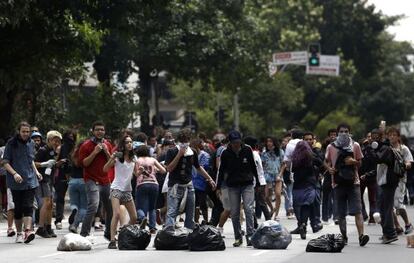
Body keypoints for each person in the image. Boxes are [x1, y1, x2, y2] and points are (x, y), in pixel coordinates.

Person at [325, 123, 369, 246]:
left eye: (346, 131)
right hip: (337, 183)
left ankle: (361, 236)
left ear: (350, 132)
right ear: (338, 132)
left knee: (357, 210)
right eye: (341, 131)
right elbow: (326, 161)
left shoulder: (355, 145)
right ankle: (344, 237)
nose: (343, 133)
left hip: (353, 182)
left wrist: (353, 161)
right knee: (341, 213)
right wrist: (329, 169)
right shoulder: (331, 147)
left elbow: (360, 163)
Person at [164, 128, 215, 230]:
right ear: (179, 141)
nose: (184, 143)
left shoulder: (193, 152)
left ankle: (189, 232)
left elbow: (198, 167)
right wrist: (179, 155)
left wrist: (210, 179)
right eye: (182, 141)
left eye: (186, 140)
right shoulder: (172, 151)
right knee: (172, 211)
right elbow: (169, 168)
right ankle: (169, 232)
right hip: (175, 185)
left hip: (189, 185)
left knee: (190, 211)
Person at [2, 121, 42, 243]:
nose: (25, 134)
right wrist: (14, 174)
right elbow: (5, 162)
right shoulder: (11, 144)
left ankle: (28, 231)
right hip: (16, 182)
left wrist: (36, 172)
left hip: (30, 180)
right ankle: (19, 233)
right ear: (18, 132)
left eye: (27, 132)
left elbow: (31, 160)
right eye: (23, 131)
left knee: (28, 206)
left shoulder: (31, 143)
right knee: (18, 208)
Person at [217, 130, 259, 247]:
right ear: (230, 142)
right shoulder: (225, 153)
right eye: (234, 142)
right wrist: (219, 185)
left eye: (238, 142)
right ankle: (238, 237)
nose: (236, 144)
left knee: (248, 209)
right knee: (234, 212)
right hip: (233, 185)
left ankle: (250, 235)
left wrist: (259, 183)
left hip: (247, 184)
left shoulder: (247, 149)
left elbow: (253, 166)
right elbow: (221, 170)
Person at [79, 121, 113, 240]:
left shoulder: (108, 144)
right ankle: (84, 234)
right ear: (92, 131)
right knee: (93, 205)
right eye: (97, 129)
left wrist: (107, 152)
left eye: (102, 130)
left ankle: (109, 233)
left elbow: (111, 163)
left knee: (110, 208)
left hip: (105, 180)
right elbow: (84, 163)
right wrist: (95, 152)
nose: (100, 132)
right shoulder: (86, 145)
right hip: (91, 179)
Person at [104, 135, 138, 249]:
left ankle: (123, 231)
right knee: (117, 214)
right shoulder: (118, 156)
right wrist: (111, 158)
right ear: (123, 145)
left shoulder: (134, 158)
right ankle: (112, 240)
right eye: (127, 142)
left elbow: (136, 174)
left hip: (127, 190)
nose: (129, 144)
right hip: (116, 188)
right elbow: (105, 169)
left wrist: (141, 172)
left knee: (134, 218)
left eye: (131, 142)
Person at [290, 141, 323, 239]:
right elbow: (321, 163)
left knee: (298, 207)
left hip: (297, 186)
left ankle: (302, 224)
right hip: (309, 185)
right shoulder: (311, 158)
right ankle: (304, 224)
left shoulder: (295, 159)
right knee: (307, 205)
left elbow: (291, 170)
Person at [34, 130, 63, 238]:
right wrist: (44, 164)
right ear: (49, 140)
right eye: (55, 141)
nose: (57, 143)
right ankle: (41, 227)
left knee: (50, 204)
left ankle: (48, 226)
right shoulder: (43, 150)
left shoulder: (53, 151)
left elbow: (52, 165)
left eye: (59, 141)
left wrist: (57, 163)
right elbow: (34, 164)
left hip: (50, 179)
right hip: (43, 180)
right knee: (46, 202)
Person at [135, 145, 166, 233]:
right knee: (152, 207)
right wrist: (156, 170)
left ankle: (143, 218)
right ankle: (152, 227)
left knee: (139, 207)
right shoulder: (153, 160)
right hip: (154, 184)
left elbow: (136, 174)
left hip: (142, 184)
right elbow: (163, 170)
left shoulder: (137, 161)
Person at [54, 130, 77, 230]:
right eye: (69, 136)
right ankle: (58, 219)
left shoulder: (76, 148)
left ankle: (73, 219)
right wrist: (59, 162)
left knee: (75, 199)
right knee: (60, 198)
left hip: (74, 175)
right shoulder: (60, 148)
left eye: (72, 136)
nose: (70, 138)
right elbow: (54, 161)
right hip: (62, 174)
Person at [260, 136, 284, 219]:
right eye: (267, 141)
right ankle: (272, 209)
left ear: (274, 142)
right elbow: (262, 165)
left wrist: (280, 174)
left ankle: (276, 215)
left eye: (270, 141)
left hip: (277, 175)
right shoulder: (264, 153)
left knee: (278, 194)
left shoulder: (280, 152)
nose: (269, 143)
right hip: (267, 175)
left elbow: (283, 164)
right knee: (266, 196)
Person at [68, 141, 87, 234]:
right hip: (83, 181)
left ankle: (74, 210)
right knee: (84, 206)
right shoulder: (85, 155)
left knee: (74, 203)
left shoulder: (73, 155)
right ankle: (75, 224)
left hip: (72, 181)